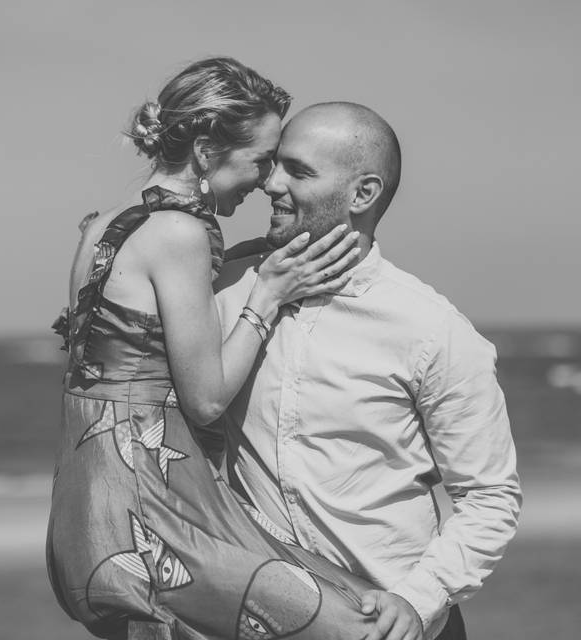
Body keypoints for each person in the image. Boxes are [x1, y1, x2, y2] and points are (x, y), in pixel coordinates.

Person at [45, 59, 396, 640]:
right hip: (149, 511)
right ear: (208, 151)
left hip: (85, 517)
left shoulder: (104, 225)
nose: (266, 181)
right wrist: (270, 293)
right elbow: (205, 400)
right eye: (260, 160)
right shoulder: (181, 234)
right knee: (364, 621)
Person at [213, 102, 522, 640]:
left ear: (363, 194)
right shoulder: (228, 285)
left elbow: (490, 496)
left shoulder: (433, 330)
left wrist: (417, 599)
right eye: (275, 164)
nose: (271, 183)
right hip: (259, 616)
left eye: (299, 171)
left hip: (388, 624)